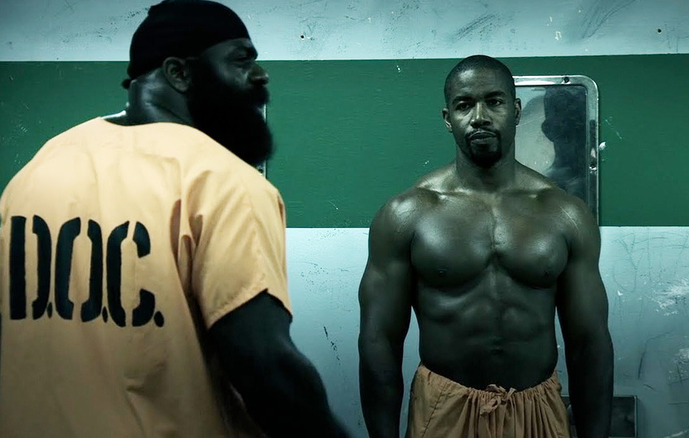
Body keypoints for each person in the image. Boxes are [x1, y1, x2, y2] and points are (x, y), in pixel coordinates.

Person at [0, 1, 348, 437]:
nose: (261, 75)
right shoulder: (222, 180)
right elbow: (266, 367)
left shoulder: (40, 168)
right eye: (242, 59)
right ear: (179, 74)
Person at [358, 55, 613, 438]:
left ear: (515, 111)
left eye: (493, 102)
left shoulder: (563, 214)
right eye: (464, 105)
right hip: (445, 407)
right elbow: (379, 341)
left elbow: (589, 343)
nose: (479, 116)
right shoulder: (407, 215)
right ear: (448, 118)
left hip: (537, 410)